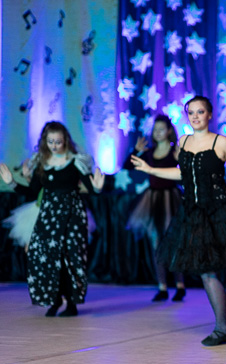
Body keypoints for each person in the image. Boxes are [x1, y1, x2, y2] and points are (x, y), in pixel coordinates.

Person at [132, 96, 226, 346]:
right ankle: (223, 328)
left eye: (200, 112)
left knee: (208, 272)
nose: (195, 116)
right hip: (192, 212)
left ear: (209, 114)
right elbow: (183, 175)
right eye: (191, 113)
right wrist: (150, 170)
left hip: (218, 211)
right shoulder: (183, 141)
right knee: (206, 272)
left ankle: (223, 328)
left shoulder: (220, 142)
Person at [0, 121, 105, 316]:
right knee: (46, 256)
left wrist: (97, 188)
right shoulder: (42, 163)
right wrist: (12, 183)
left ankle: (71, 303)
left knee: (70, 258)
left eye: (58, 141)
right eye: (50, 142)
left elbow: (92, 190)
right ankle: (54, 300)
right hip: (48, 217)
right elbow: (32, 192)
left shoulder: (76, 162)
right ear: (44, 142)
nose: (54, 146)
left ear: (65, 141)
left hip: (72, 216)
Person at [123, 115, 185, 302]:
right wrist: (136, 151)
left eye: (161, 129)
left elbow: (185, 173)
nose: (157, 133)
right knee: (156, 244)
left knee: (173, 243)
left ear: (169, 131)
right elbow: (127, 166)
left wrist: (181, 159)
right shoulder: (149, 152)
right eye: (155, 129)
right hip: (152, 200)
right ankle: (162, 286)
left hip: (171, 199)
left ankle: (180, 285)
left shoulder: (174, 151)